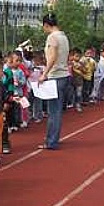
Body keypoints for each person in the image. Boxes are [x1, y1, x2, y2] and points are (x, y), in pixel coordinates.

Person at [38, 13, 70, 150]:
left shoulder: (52, 37)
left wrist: (44, 74)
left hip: (55, 76)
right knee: (56, 110)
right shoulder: (63, 36)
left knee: (53, 111)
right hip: (64, 75)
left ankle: (51, 141)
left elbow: (52, 57)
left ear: (46, 25)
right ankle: (53, 138)